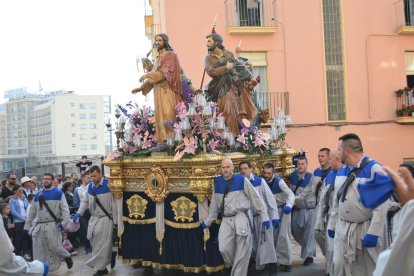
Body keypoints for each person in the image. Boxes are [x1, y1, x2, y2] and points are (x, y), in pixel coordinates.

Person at [327, 133, 389, 276]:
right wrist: (332, 224)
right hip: (343, 230)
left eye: (339, 149)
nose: (338, 152)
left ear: (347, 151)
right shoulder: (342, 170)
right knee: (340, 268)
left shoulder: (375, 169)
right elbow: (337, 200)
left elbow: (382, 205)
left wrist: (374, 232)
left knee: (367, 270)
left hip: (364, 230)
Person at [201, 158, 270, 276]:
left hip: (241, 217)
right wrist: (208, 221)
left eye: (228, 167)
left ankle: (239, 272)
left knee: (242, 251)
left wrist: (265, 217)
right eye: (223, 167)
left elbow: (256, 198)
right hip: (226, 219)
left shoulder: (241, 179)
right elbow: (214, 205)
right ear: (220, 168)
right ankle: (240, 264)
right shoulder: (217, 182)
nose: (225, 169)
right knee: (224, 248)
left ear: (233, 168)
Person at [131, 33, 183, 142]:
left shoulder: (170, 55)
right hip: (158, 92)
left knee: (169, 115)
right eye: (156, 40)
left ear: (165, 41)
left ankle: (174, 141)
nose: (157, 43)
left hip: (168, 91)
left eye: (160, 40)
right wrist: (141, 88)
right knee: (161, 119)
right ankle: (164, 142)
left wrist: (147, 75)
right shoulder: (157, 58)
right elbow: (154, 78)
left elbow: (163, 73)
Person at [204, 33, 257, 135]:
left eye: (209, 41)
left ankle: (232, 136)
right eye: (206, 42)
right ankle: (223, 137)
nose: (206, 44)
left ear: (217, 42)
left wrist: (251, 78)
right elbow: (210, 71)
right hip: (216, 88)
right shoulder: (208, 58)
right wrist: (226, 68)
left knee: (231, 111)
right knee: (221, 112)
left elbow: (240, 67)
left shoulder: (229, 55)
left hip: (230, 87)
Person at [73, 165, 118, 276]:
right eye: (91, 176)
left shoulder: (109, 184)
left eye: (95, 175)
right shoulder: (90, 187)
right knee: (93, 241)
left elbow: (115, 204)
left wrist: (116, 222)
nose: (93, 178)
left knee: (102, 244)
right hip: (93, 219)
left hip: (106, 218)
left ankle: (101, 268)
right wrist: (78, 213)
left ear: (100, 174)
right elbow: (85, 202)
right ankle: (111, 254)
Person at [24, 173, 73, 272]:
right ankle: (43, 269)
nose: (45, 180)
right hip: (39, 226)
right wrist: (27, 227)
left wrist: (63, 224)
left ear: (52, 180)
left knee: (55, 246)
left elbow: (65, 211)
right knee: (40, 249)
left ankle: (66, 255)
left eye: (48, 179)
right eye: (44, 178)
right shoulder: (37, 195)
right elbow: (32, 212)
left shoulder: (59, 193)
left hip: (53, 225)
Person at [373, 164, 414, 276]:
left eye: (403, 175)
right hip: (392, 224)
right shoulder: (395, 190)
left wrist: (408, 207)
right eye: (398, 174)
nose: (399, 177)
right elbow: (386, 204)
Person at [239, 161, 279, 276]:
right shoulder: (240, 184)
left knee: (268, 244)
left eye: (245, 168)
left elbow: (270, 199)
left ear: (251, 169)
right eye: (241, 169)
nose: (243, 171)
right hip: (250, 218)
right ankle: (259, 266)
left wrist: (274, 216)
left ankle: (272, 269)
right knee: (254, 245)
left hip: (263, 217)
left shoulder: (259, 181)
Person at [295, 148, 331, 257]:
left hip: (331, 209)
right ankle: (327, 255)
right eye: (318, 156)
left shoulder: (334, 172)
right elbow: (309, 187)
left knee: (330, 235)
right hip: (319, 207)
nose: (319, 158)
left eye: (322, 156)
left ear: (329, 157)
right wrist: (297, 199)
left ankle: (331, 262)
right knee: (317, 233)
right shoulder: (317, 171)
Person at [262, 162, 295, 272]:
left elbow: (291, 195)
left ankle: (286, 262)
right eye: (265, 173)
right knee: (271, 237)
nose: (266, 175)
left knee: (283, 237)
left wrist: (289, 205)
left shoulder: (279, 182)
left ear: (273, 173)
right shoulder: (262, 181)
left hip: (283, 210)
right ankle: (272, 261)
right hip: (270, 211)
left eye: (268, 173)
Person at [314, 149, 342, 275]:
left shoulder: (346, 173)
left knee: (338, 250)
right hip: (330, 216)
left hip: (342, 218)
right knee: (330, 248)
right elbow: (323, 199)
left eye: (330, 159)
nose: (328, 162)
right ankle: (330, 271)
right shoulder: (330, 175)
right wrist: (320, 219)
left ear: (337, 159)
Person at [289, 156, 316, 265]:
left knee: (309, 234)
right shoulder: (292, 176)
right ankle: (307, 249)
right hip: (296, 210)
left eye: (302, 164)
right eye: (299, 164)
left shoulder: (312, 177)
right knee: (295, 231)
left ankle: (309, 256)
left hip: (309, 210)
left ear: (306, 165)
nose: (300, 166)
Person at [9, 185, 31, 260]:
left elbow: (29, 207)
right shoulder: (12, 200)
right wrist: (22, 218)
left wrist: (28, 218)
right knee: (18, 238)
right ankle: (17, 254)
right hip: (18, 221)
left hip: (26, 221)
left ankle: (25, 253)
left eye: (22, 191)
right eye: (19, 191)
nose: (21, 192)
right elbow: (13, 212)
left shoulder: (24, 199)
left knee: (25, 237)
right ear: (15, 191)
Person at [73, 172, 92, 254]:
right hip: (82, 213)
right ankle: (87, 247)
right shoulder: (77, 190)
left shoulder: (91, 188)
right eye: (88, 177)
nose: (90, 179)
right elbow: (76, 203)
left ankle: (92, 246)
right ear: (83, 178)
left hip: (91, 212)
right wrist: (80, 211)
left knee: (92, 230)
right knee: (85, 229)